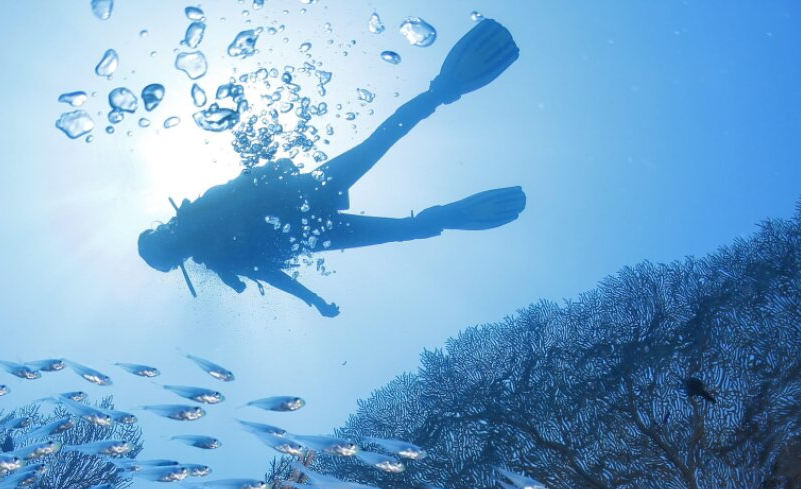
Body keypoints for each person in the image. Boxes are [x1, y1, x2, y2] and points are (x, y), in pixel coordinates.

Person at [137, 18, 526, 317]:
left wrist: (314, 300)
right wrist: (314, 299)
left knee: (394, 205)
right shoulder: (214, 241)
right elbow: (272, 270)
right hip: (310, 209)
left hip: (311, 219)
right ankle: (442, 95)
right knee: (380, 145)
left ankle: (443, 113)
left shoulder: (214, 243)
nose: (176, 247)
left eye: (170, 256)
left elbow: (271, 268)